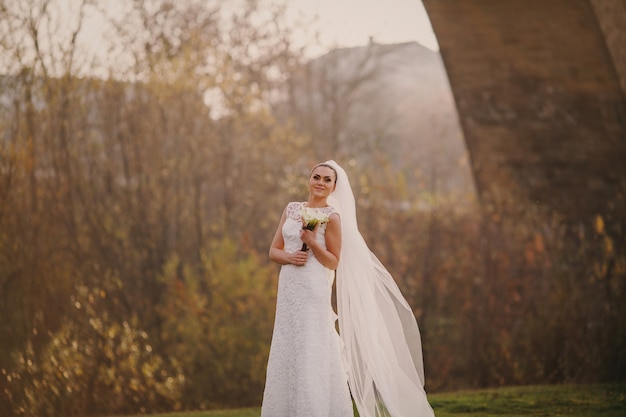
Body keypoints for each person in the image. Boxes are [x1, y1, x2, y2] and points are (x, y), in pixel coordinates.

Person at [261, 161, 435, 417]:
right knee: (288, 343)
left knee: (313, 345)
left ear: (333, 187)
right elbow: (273, 251)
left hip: (313, 288)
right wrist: (289, 258)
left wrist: (312, 243)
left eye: (327, 180)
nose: (320, 182)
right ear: (309, 180)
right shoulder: (291, 209)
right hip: (289, 289)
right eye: (316, 177)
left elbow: (334, 260)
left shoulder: (332, 217)